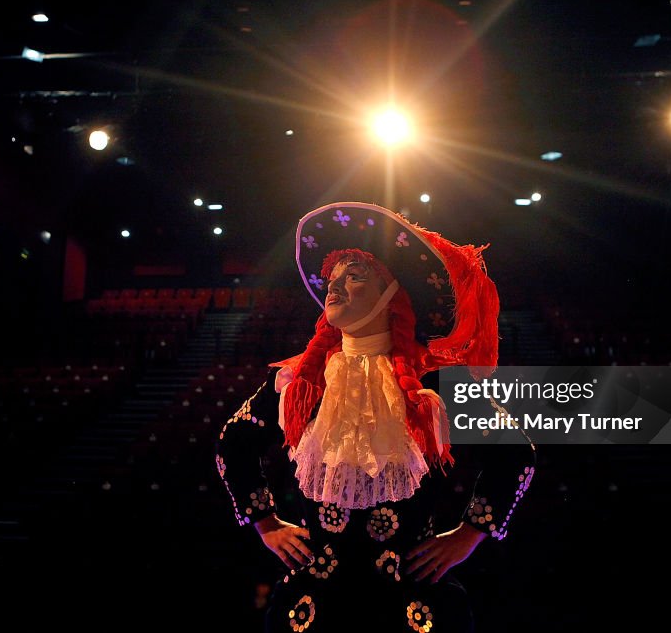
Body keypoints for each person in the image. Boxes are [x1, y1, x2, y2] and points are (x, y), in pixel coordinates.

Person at [217, 202, 536, 632]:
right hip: (316, 605)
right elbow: (233, 443)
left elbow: (515, 452)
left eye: (354, 277)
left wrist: (468, 536)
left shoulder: (432, 385)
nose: (334, 287)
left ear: (393, 299)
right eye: (332, 279)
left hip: (412, 604)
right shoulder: (301, 382)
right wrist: (267, 525)